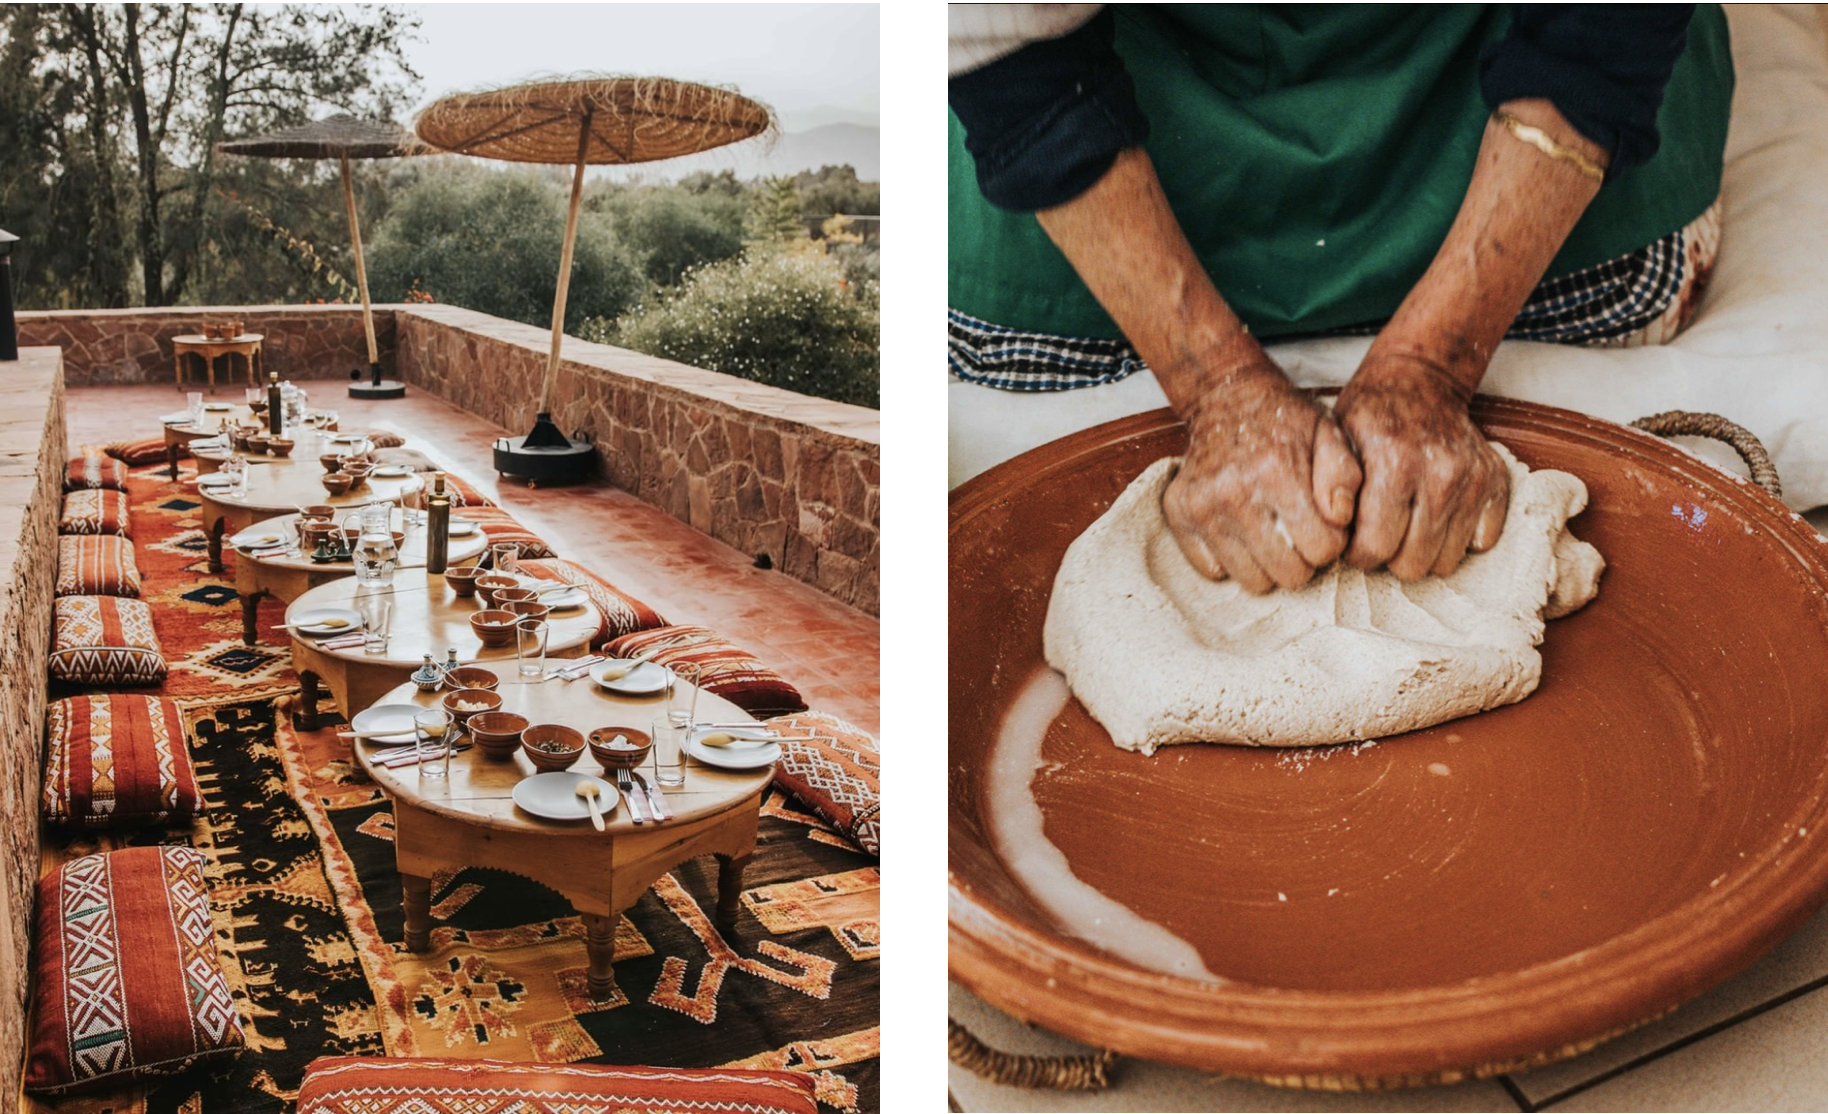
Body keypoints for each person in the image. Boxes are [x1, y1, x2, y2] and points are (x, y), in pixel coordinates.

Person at [949, 5, 1732, 592]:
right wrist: (1215, 385)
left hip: (1524, 112)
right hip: (1102, 116)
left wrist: (1436, 361)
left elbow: (1606, 29)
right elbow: (1008, 55)